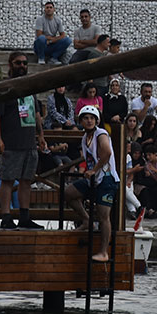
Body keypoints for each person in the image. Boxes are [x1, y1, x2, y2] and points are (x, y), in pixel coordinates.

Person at [0, 52, 48, 230]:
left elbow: (37, 114)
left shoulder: (30, 87)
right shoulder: (4, 87)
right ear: (10, 64)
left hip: (29, 142)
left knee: (26, 181)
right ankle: (6, 216)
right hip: (11, 142)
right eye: (18, 63)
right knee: (7, 180)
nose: (22, 66)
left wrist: (41, 135)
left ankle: (24, 216)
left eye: (24, 63)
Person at [65, 105, 121, 261]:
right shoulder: (84, 138)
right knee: (69, 193)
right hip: (93, 179)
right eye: (85, 118)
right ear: (81, 121)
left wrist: (94, 170)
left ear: (96, 120)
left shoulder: (101, 134)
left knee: (104, 216)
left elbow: (107, 152)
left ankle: (103, 251)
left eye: (92, 118)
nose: (89, 121)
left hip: (107, 179)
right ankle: (86, 219)